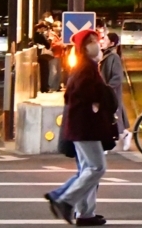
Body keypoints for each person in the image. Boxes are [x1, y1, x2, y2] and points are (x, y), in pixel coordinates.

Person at [45, 30, 115, 227]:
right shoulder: (85, 68)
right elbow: (82, 93)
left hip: (83, 127)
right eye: (91, 42)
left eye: (96, 40)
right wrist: (98, 99)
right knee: (96, 167)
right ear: (83, 48)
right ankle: (64, 200)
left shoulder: (89, 66)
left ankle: (85, 213)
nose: (96, 44)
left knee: (88, 168)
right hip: (85, 127)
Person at [99, 33, 131, 152]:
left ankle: (123, 135)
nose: (103, 41)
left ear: (112, 43)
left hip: (110, 92)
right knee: (109, 117)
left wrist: (108, 88)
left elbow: (117, 77)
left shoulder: (114, 57)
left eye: (105, 39)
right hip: (107, 92)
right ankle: (121, 136)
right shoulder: (106, 55)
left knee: (112, 117)